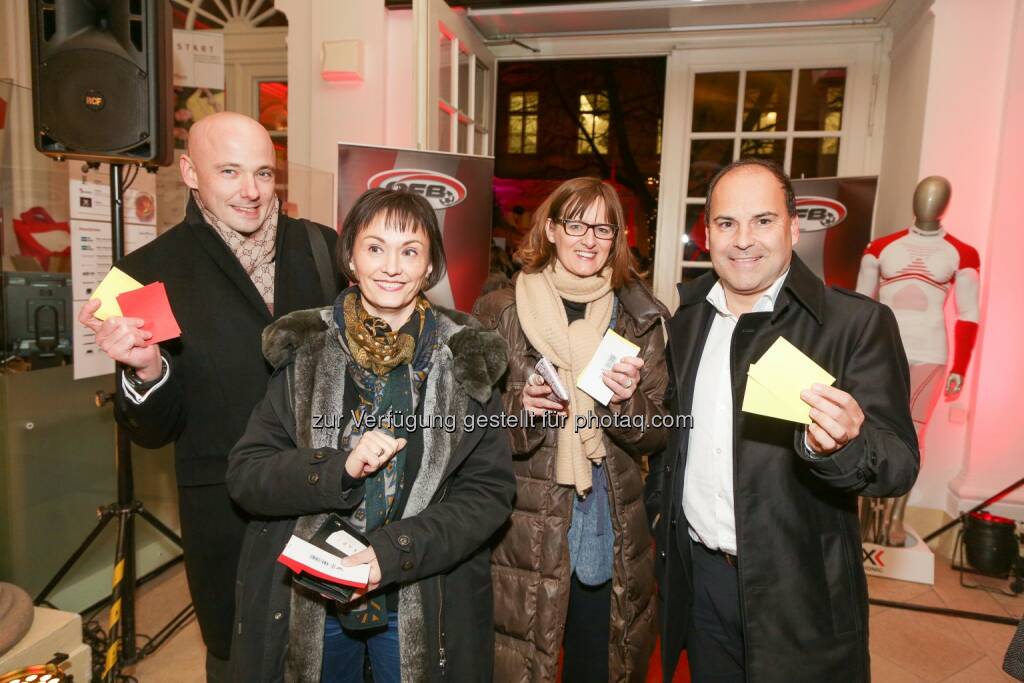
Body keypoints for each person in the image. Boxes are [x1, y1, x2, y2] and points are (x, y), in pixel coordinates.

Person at [77, 112, 341, 681]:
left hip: (331, 495)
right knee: (240, 661)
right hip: (227, 518)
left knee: (336, 652)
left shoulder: (323, 247)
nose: (251, 191)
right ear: (191, 172)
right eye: (230, 171)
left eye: (264, 174)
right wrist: (145, 369)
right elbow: (151, 432)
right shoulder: (142, 274)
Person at [225, 188, 516, 682]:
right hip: (312, 597)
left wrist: (394, 552)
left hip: (421, 593)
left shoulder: (467, 356)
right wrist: (336, 467)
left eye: (410, 251)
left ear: (430, 267)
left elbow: (489, 493)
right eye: (375, 247)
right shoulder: (306, 348)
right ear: (351, 259)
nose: (391, 266)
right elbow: (247, 475)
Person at [647, 158, 920, 683]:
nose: (743, 240)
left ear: (794, 228)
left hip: (802, 595)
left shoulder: (855, 324)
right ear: (707, 235)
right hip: (701, 582)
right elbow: (675, 440)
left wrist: (841, 446)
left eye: (763, 221)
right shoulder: (685, 321)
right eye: (727, 223)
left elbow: (899, 465)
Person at [474, 177, 669, 682]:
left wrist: (623, 403)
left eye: (603, 228)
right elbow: (468, 426)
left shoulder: (638, 319)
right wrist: (521, 408)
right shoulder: (501, 310)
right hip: (523, 518)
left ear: (617, 239)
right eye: (577, 224)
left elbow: (658, 434)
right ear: (552, 229)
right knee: (520, 661)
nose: (589, 239)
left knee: (594, 657)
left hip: (606, 515)